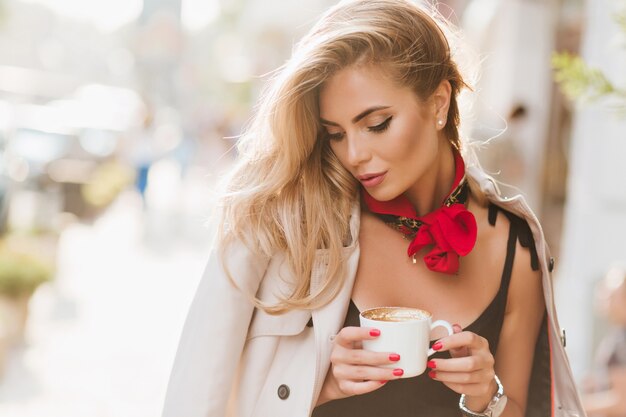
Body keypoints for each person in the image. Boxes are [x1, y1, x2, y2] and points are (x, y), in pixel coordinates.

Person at [161, 1, 585, 416]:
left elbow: (519, 409)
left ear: (439, 104)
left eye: (376, 124)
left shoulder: (517, 248)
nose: (355, 154)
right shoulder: (287, 227)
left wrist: (485, 394)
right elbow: (199, 393)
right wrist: (321, 385)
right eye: (335, 134)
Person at [583, 266, 626, 416]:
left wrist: (577, 405)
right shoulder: (617, 336)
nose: (602, 295)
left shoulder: (622, 341)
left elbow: (622, 402)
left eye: (610, 293)